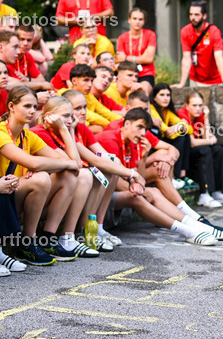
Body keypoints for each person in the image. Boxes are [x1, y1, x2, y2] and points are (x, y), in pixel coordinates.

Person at [0, 88, 91, 262]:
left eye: (34, 106)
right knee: (42, 177)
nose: (32, 111)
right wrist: (64, 163)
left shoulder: (26, 134)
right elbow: (33, 163)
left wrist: (66, 131)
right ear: (12, 106)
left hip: (12, 193)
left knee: (69, 175)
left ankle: (45, 238)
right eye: (27, 106)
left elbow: (75, 164)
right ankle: (26, 243)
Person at [94, 109, 219, 246]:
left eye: (145, 129)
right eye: (139, 127)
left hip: (112, 193)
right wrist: (143, 190)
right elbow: (114, 179)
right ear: (127, 123)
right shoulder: (110, 139)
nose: (142, 133)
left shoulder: (130, 141)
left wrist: (144, 156)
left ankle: (194, 223)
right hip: (97, 196)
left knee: (152, 190)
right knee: (138, 196)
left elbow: (138, 177)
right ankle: (189, 231)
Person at [46, 89, 148, 251]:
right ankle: (74, 234)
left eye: (85, 107)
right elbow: (88, 160)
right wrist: (132, 174)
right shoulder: (54, 131)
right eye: (77, 108)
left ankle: (96, 227)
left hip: (72, 181)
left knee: (109, 167)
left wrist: (131, 176)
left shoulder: (83, 129)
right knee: (89, 173)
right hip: (56, 185)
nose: (83, 112)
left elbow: (106, 157)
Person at [179, 91, 223, 207]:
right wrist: (210, 141)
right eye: (194, 105)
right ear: (187, 106)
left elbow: (207, 137)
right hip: (184, 158)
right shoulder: (182, 115)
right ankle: (204, 194)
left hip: (197, 152)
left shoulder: (200, 115)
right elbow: (193, 143)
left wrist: (205, 118)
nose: (198, 109)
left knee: (217, 149)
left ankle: (216, 192)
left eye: (200, 105)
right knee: (205, 150)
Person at [177, 0, 223, 88]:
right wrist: (182, 84)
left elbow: (219, 57)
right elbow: (186, 59)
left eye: (196, 15)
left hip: (214, 80)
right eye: (191, 14)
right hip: (195, 79)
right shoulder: (185, 31)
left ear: (204, 16)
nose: (193, 18)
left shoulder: (214, 31)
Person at [150, 83, 195, 189]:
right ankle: (174, 175)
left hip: (162, 142)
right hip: (154, 146)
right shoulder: (152, 109)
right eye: (162, 95)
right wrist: (180, 126)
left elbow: (190, 130)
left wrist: (178, 127)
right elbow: (168, 132)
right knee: (180, 137)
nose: (166, 98)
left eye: (168, 95)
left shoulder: (167, 111)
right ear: (154, 97)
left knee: (185, 136)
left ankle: (182, 175)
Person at [116, 7, 156, 94]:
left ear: (144, 21)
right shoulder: (122, 38)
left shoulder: (150, 35)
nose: (137, 22)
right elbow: (120, 59)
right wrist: (141, 58)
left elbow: (148, 59)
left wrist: (126, 58)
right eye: (134, 19)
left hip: (145, 73)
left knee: (142, 92)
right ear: (129, 20)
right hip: (127, 73)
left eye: (140, 19)